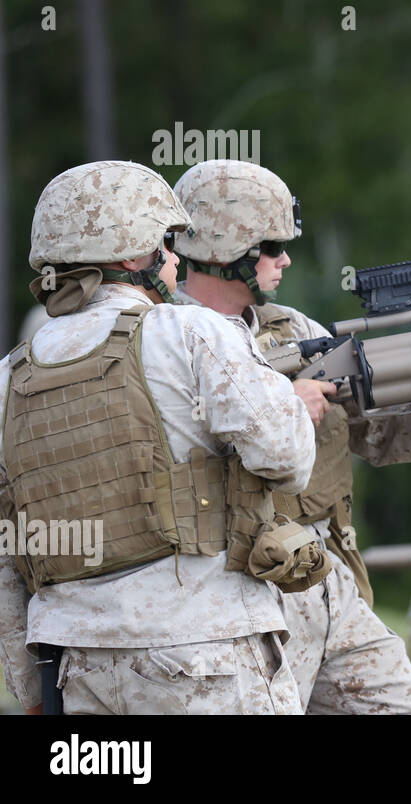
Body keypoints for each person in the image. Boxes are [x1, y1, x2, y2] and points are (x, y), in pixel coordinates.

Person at [172, 158, 411, 714]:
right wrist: (284, 410)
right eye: (270, 246)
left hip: (326, 584)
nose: (285, 259)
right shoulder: (165, 346)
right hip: (235, 601)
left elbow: (378, 437)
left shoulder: (298, 332)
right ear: (226, 247)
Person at [0, 160, 319, 715]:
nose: (175, 259)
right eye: (167, 243)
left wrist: (29, 691)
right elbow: (287, 459)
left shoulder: (11, 376)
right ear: (132, 255)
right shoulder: (190, 332)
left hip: (78, 668)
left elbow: (8, 552)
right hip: (203, 650)